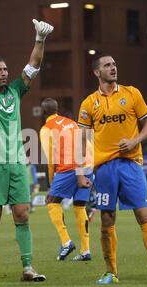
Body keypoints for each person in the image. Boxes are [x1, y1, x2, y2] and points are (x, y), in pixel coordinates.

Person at [77, 54, 147, 284]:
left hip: (131, 164)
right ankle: (111, 272)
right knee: (107, 220)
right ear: (97, 72)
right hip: (105, 169)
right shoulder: (89, 103)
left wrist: (134, 141)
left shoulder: (132, 93)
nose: (113, 67)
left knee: (143, 215)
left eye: (114, 64)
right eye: (107, 65)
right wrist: (80, 172)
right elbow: (81, 140)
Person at [0, 16, 53, 282]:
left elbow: (33, 66)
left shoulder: (16, 91)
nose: (5, 73)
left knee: (22, 213)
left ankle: (28, 268)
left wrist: (39, 39)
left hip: (18, 161)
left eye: (6, 69)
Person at [39, 98, 92, 261]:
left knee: (51, 201)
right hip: (88, 164)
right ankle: (85, 250)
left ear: (43, 113)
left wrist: (50, 183)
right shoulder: (71, 122)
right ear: (57, 109)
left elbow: (50, 160)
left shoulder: (46, 128)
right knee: (79, 207)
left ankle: (66, 241)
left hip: (69, 167)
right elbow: (85, 143)